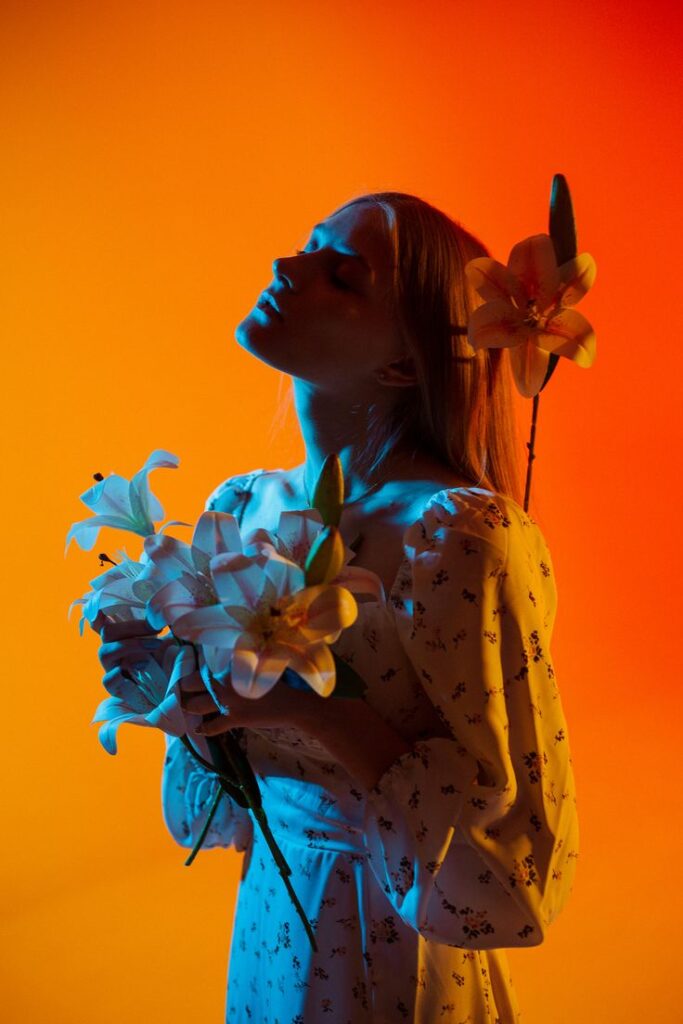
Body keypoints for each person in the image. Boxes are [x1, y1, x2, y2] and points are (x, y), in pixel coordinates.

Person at [99, 192, 579, 1023]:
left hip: (392, 962)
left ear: (405, 365)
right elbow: (215, 816)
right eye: (306, 246)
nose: (287, 267)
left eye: (343, 274)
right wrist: (173, 693)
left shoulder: (455, 538)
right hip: (270, 939)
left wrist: (311, 710)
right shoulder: (242, 509)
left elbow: (511, 879)